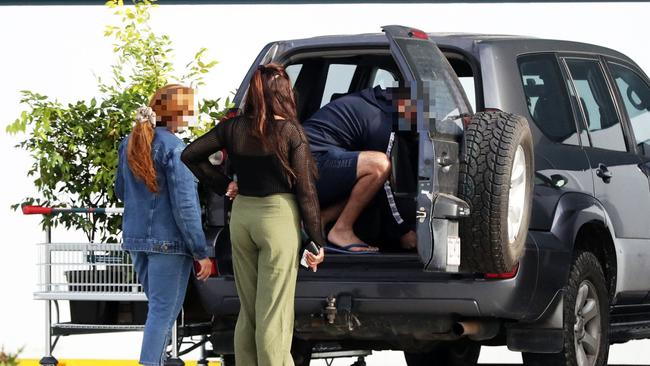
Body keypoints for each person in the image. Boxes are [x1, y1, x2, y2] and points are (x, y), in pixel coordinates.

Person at [182, 63, 326, 366]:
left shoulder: (233, 128)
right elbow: (307, 191)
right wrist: (316, 241)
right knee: (273, 311)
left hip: (243, 217)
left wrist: (224, 184)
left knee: (249, 311)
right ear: (283, 93)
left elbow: (191, 154)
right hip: (277, 219)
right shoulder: (290, 131)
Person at [114, 84, 212, 366]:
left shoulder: (130, 142)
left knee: (157, 310)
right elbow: (185, 205)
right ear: (177, 114)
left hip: (136, 240)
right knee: (162, 313)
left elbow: (121, 190)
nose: (191, 116)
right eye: (189, 111)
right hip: (168, 242)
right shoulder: (176, 148)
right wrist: (199, 251)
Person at [302, 85, 417, 252]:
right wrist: (403, 231)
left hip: (311, 165)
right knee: (379, 166)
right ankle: (341, 230)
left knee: (367, 183)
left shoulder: (377, 103)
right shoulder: (381, 123)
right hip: (311, 166)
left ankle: (321, 219)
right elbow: (384, 183)